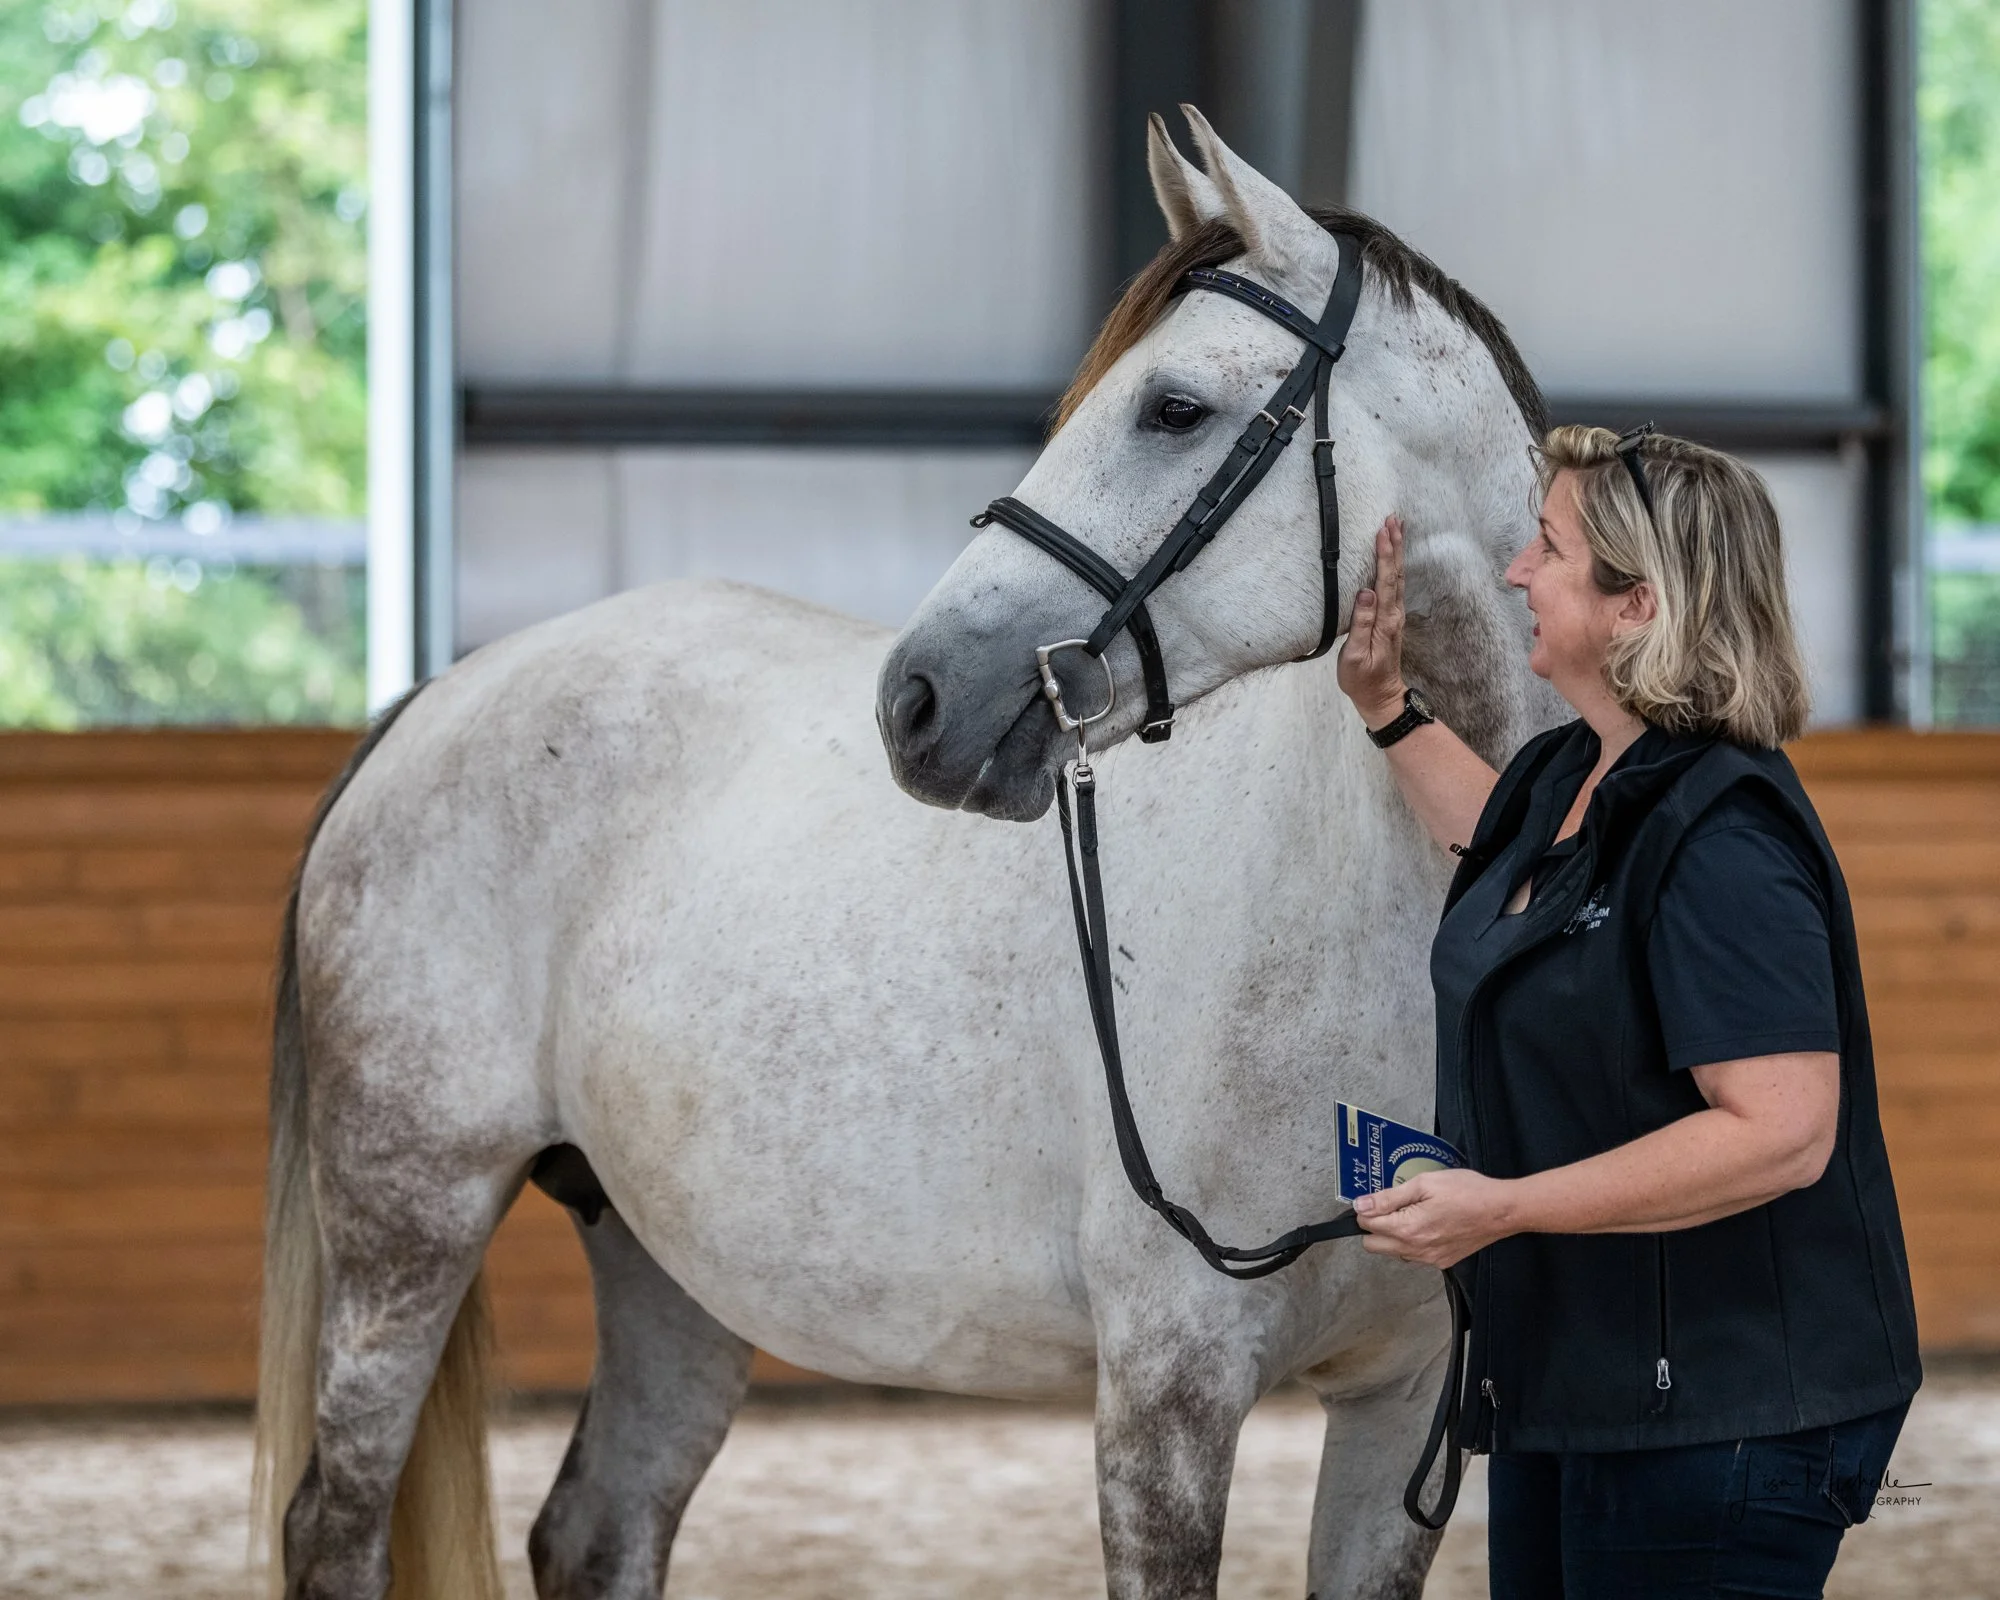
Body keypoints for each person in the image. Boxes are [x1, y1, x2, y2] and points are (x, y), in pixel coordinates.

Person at [1335, 424, 1924, 1597]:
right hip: (1590, 1387)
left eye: (1545, 548)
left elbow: (1780, 1127)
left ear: (1634, 606)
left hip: (1718, 1416)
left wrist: (1501, 1206)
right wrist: (1386, 706)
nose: (1515, 570)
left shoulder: (1721, 836)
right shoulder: (1579, 775)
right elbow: (1502, 850)